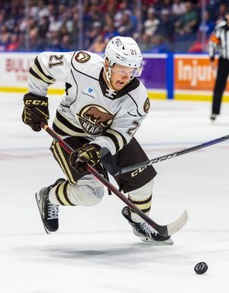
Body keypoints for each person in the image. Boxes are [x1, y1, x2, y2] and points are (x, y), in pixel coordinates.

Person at [21, 36, 173, 244]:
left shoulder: (138, 99)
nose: (126, 76)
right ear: (108, 63)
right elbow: (42, 64)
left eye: (132, 71)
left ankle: (138, 221)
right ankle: (50, 196)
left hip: (107, 135)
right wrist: (36, 98)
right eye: (122, 69)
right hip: (70, 131)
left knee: (143, 181)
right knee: (91, 194)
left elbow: (120, 134)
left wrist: (97, 147)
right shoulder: (81, 65)